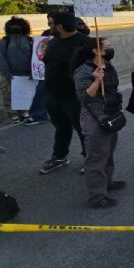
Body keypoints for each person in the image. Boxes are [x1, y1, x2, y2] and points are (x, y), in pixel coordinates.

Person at [73, 37, 126, 208]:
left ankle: (107, 182)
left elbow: (114, 88)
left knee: (108, 152)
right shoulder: (83, 71)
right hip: (95, 118)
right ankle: (97, 196)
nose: (110, 49)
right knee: (96, 157)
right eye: (107, 47)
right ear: (96, 50)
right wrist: (96, 80)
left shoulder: (108, 66)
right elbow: (84, 97)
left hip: (111, 114)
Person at [39, 11, 88, 175]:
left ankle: (90, 157)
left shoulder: (84, 42)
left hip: (74, 95)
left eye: (51, 24)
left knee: (83, 128)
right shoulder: (52, 42)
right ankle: (59, 156)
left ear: (60, 26)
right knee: (61, 127)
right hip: (53, 94)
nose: (49, 27)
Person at [0, 16, 40, 125]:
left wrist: (32, 71)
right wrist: (6, 72)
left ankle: (25, 113)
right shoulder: (4, 41)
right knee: (9, 95)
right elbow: (1, 57)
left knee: (26, 95)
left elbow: (34, 57)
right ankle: (13, 114)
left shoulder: (30, 40)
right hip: (11, 74)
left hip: (27, 74)